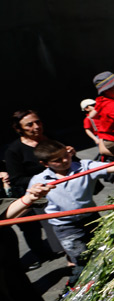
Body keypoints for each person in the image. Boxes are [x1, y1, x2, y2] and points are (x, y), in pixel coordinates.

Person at [29, 140, 114, 283]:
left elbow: (111, 167)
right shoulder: (39, 180)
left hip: (91, 218)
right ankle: (82, 287)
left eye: (66, 155)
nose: (65, 160)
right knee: (82, 261)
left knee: (107, 250)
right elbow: (34, 202)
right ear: (45, 163)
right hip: (66, 226)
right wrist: (35, 194)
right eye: (58, 160)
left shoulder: (84, 166)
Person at [4, 110, 64, 269]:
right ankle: (43, 253)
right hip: (31, 194)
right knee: (32, 229)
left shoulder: (50, 138)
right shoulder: (14, 151)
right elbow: (16, 179)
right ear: (19, 129)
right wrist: (41, 182)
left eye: (38, 122)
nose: (36, 127)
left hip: (58, 189)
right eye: (29, 125)